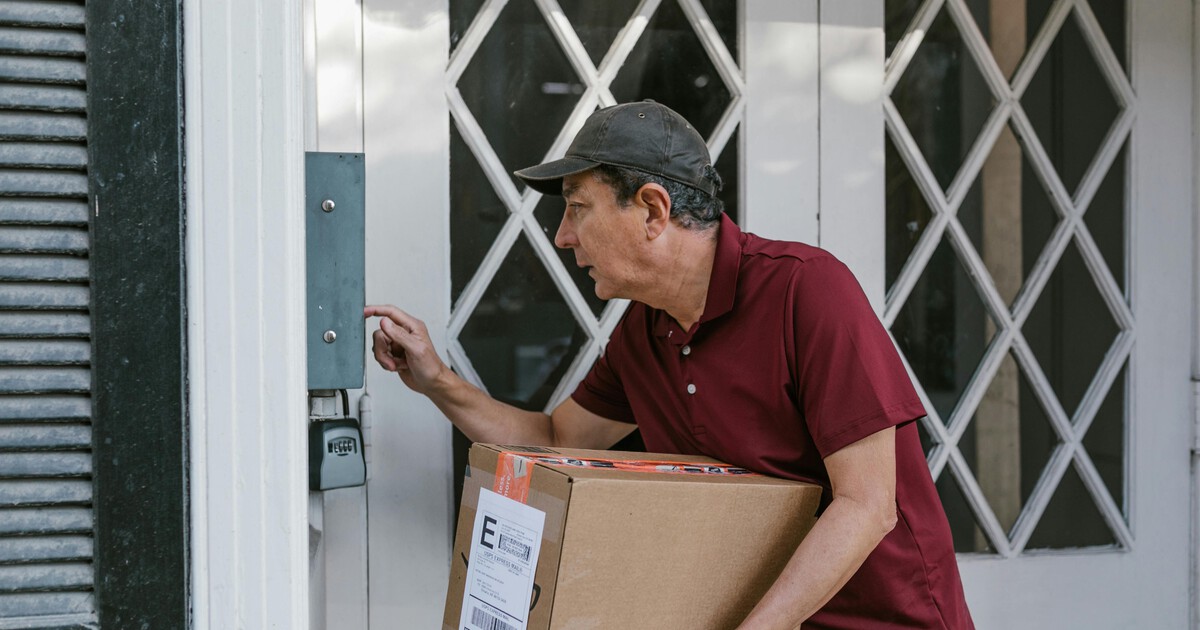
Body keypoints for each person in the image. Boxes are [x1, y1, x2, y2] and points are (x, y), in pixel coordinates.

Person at [366, 100, 973, 629]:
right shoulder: (645, 329)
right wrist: (436, 382)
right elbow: (555, 439)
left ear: (653, 211)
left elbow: (868, 504)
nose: (562, 237)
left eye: (578, 208)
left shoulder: (806, 293)